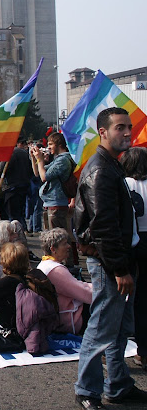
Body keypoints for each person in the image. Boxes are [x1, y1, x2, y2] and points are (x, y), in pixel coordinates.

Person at [74, 107, 147, 409]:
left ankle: (117, 385)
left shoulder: (110, 165)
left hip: (118, 260)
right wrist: (119, 269)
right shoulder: (101, 169)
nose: (128, 132)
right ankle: (86, 391)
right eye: (120, 128)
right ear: (102, 132)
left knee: (117, 329)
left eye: (129, 127)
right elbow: (102, 226)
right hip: (108, 263)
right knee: (103, 328)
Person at [120, 146, 147, 370]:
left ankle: (115, 350)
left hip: (130, 241)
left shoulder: (123, 184)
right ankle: (143, 351)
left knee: (124, 297)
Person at [37, 228, 92, 334]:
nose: (69, 246)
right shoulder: (55, 270)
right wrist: (104, 289)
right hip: (69, 319)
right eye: (64, 243)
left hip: (60, 316)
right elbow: (83, 292)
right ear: (53, 249)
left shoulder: (44, 264)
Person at [31, 132, 76, 236]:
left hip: (57, 204)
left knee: (57, 239)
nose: (48, 147)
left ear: (59, 145)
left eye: (51, 144)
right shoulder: (58, 160)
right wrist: (34, 159)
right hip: (51, 203)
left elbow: (43, 177)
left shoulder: (63, 160)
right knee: (51, 238)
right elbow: (37, 173)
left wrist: (40, 159)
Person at [0, 139, 33, 231]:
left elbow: (0, 169)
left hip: (11, 187)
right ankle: (23, 230)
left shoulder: (10, 154)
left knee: (12, 214)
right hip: (24, 185)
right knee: (19, 212)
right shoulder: (24, 153)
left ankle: (16, 234)